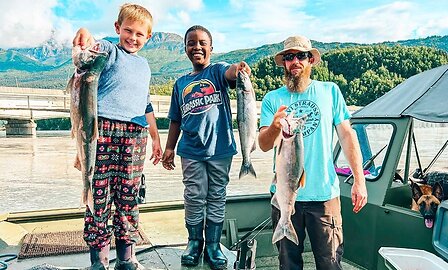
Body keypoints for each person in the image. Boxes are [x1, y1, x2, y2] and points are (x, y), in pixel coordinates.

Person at [258, 35, 368, 270]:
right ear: (284, 63)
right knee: (288, 264)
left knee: (330, 263)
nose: (295, 61)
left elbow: (347, 135)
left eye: (301, 56)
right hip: (285, 197)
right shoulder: (272, 99)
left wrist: (360, 180)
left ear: (310, 60)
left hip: (325, 196)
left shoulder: (330, 91)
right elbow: (264, 144)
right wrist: (276, 126)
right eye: (289, 57)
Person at [72, 3, 162, 270]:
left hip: (136, 135)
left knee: (128, 197)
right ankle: (98, 262)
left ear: (148, 37)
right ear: (117, 29)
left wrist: (156, 138)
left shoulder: (145, 66)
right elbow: (91, 45)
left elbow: (146, 106)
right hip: (103, 131)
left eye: (139, 34)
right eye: (128, 31)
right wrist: (84, 32)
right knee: (98, 196)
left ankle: (126, 259)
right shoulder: (110, 52)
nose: (132, 38)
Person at [161, 25, 250, 270]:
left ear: (211, 48)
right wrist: (169, 148)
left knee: (216, 196)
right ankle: (194, 242)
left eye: (202, 43)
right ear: (185, 49)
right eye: (191, 43)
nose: (197, 47)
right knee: (193, 196)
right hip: (190, 150)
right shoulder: (180, 84)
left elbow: (232, 73)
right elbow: (175, 118)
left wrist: (239, 69)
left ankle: (212, 244)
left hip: (221, 149)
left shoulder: (218, 71)